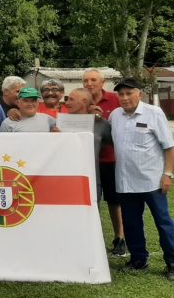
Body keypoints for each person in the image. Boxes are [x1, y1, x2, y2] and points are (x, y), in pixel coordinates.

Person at [109, 77, 174, 279]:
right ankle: (138, 260)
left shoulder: (153, 113)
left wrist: (168, 174)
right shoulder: (115, 115)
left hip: (151, 180)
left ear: (140, 93)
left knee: (163, 222)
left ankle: (172, 263)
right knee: (131, 223)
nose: (125, 97)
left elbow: (169, 146)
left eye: (129, 93)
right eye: (121, 94)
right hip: (125, 180)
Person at [84, 67, 125, 256]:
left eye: (93, 80)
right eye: (86, 81)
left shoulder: (116, 100)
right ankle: (92, 240)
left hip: (110, 159)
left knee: (114, 201)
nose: (89, 84)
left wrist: (101, 118)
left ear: (102, 82)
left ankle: (120, 238)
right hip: (86, 160)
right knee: (91, 201)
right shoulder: (80, 100)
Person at [61, 88, 112, 202]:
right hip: (64, 178)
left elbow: (117, 144)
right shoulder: (59, 123)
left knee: (92, 216)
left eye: (71, 99)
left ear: (84, 101)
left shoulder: (101, 124)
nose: (67, 103)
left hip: (92, 179)